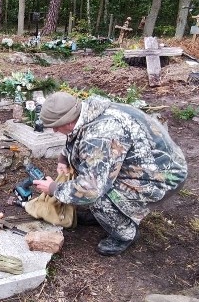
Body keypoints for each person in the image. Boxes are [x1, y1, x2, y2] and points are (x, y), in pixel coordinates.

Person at [31, 92, 187, 256]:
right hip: (149, 165)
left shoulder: (100, 134)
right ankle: (105, 216)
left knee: (97, 196)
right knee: (91, 176)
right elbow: (78, 136)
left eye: (56, 126)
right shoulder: (88, 112)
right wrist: (64, 157)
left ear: (69, 120)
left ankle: (125, 233)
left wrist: (54, 188)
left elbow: (91, 189)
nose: (55, 130)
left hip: (163, 177)